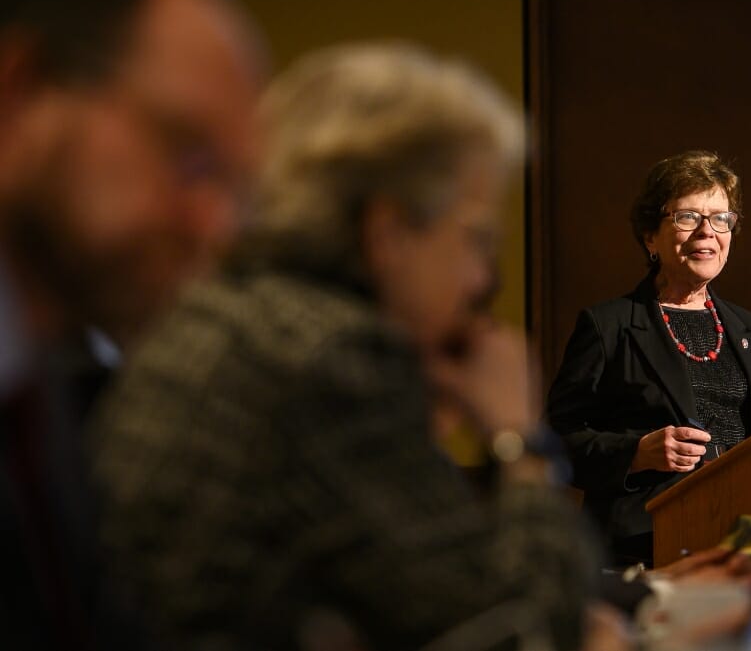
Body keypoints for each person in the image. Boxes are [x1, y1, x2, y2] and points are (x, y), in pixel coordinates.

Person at [89, 43, 602, 651]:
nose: (482, 279)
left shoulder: (229, 316)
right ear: (388, 234)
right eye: (477, 237)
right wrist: (520, 439)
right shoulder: (330, 357)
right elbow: (524, 637)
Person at [0, 0, 263, 646]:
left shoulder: (49, 376)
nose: (212, 226)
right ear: (18, 93)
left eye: (234, 189)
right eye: (190, 155)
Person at [546, 150, 751, 567]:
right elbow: (557, 442)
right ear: (650, 236)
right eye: (688, 217)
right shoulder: (609, 326)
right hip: (647, 546)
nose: (707, 232)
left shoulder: (750, 331)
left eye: (721, 218)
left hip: (744, 546)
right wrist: (636, 453)